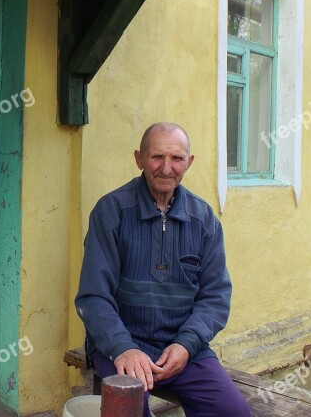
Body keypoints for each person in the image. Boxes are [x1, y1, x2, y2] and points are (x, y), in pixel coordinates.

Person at [75, 122, 250, 417]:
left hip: (182, 349)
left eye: (177, 158)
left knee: (233, 412)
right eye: (157, 157)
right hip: (122, 343)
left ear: (189, 162)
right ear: (139, 158)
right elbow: (93, 297)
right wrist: (123, 347)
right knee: (128, 408)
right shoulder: (111, 212)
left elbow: (215, 298)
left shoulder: (204, 220)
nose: (166, 168)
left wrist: (186, 344)